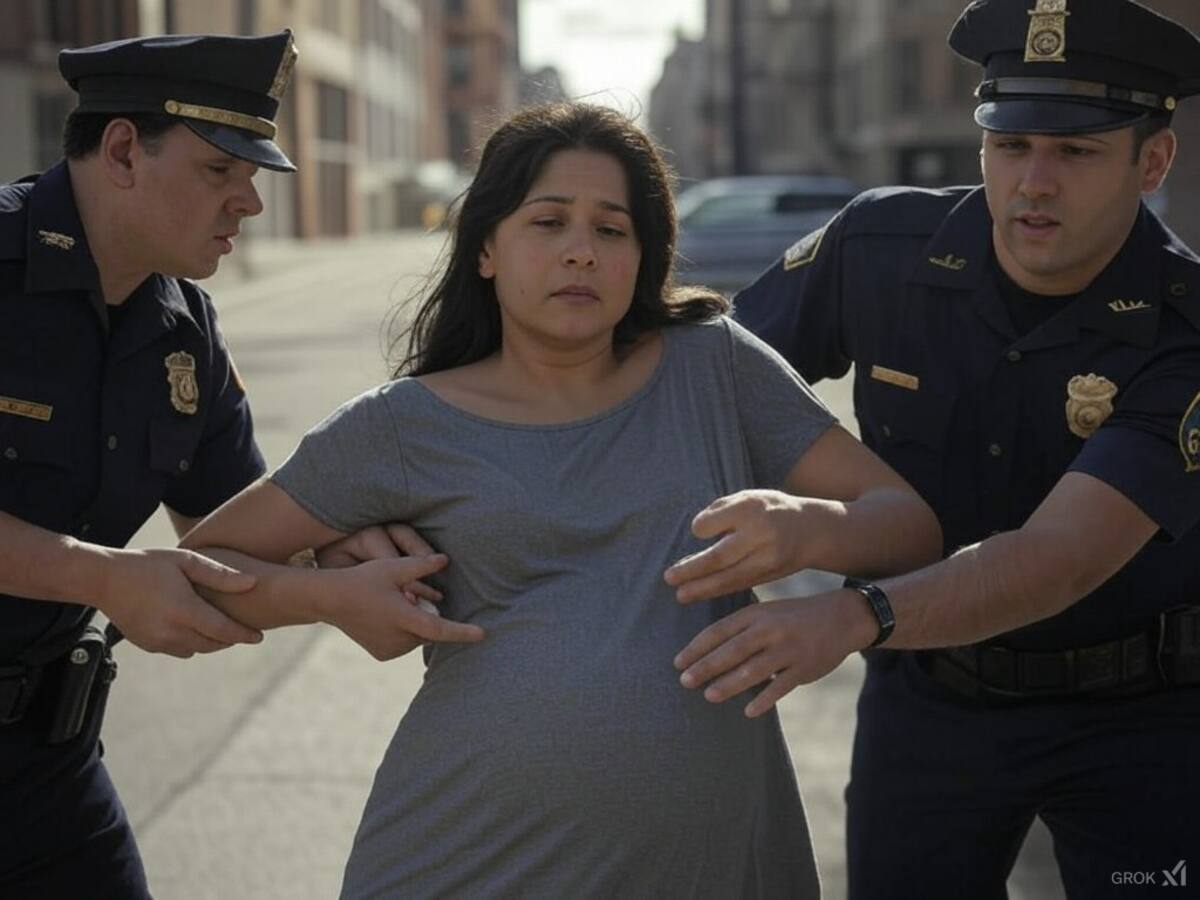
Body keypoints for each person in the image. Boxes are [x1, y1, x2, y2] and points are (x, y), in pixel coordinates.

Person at [178, 101, 942, 898]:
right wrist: (331, 593)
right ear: (485, 250)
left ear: (645, 257)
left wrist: (809, 530)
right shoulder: (401, 425)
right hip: (465, 860)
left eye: (612, 230)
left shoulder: (713, 366)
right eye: (548, 223)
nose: (582, 252)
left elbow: (911, 528)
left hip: (709, 864)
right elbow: (196, 569)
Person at [668, 1, 1200, 897]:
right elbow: (695, 390)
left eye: (1075, 153)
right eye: (1010, 145)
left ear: (1152, 162)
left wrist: (849, 616)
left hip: (1138, 714)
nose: (1033, 182)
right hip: (931, 700)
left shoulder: (1185, 326)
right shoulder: (877, 247)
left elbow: (1054, 561)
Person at [0, 30, 435, 899]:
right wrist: (106, 578)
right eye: (219, 171)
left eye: (254, 175)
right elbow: (128, 577)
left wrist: (338, 571)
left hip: (47, 762)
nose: (251, 203)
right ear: (123, 149)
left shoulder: (182, 328)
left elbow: (232, 540)